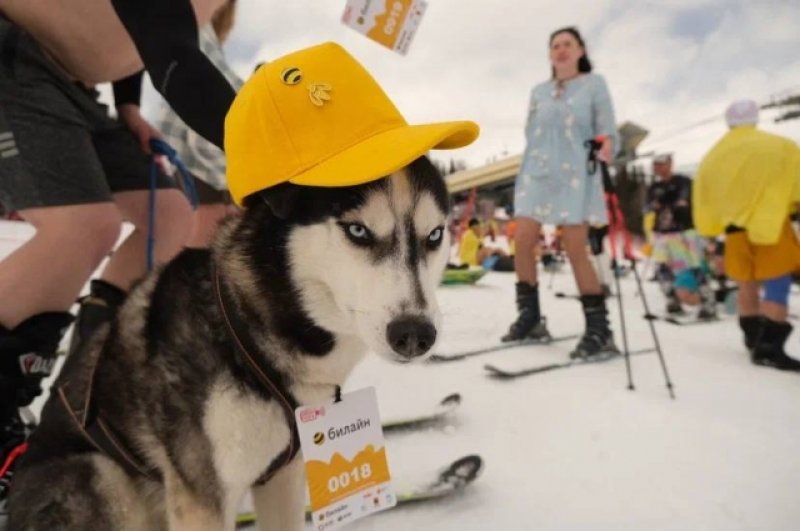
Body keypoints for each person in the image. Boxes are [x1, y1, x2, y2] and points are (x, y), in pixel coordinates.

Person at [0, 0, 238, 505]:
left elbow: (151, 43)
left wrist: (129, 108)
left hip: (74, 85)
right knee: (82, 228)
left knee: (169, 214)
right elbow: (176, 56)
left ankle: (81, 396)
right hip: (15, 58)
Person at [505, 26, 618, 359]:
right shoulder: (538, 90)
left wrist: (608, 143)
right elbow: (531, 131)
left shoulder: (594, 84)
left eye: (568, 44)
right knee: (523, 239)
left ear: (581, 50)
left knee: (574, 246)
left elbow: (607, 129)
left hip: (575, 173)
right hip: (537, 171)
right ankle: (530, 318)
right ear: (550, 54)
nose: (561, 50)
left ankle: (600, 330)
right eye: (555, 45)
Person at [693, 99, 800, 371]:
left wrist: (711, 227)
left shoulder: (713, 157)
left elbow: (704, 196)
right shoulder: (781, 147)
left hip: (734, 232)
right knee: (777, 285)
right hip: (771, 226)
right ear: (755, 118)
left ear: (729, 121)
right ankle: (769, 348)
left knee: (746, 285)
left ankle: (753, 339)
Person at [156, 0, 243, 248]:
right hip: (205, 182)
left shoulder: (201, 39)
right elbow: (209, 112)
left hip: (198, 178)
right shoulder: (197, 36)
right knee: (198, 270)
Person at [645, 153, 716, 319]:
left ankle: (708, 301)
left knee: (694, 265)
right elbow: (648, 207)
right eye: (656, 165)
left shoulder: (684, 182)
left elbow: (684, 202)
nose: (659, 168)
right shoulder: (654, 187)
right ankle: (672, 300)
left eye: (662, 164)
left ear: (670, 164)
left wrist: (666, 204)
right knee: (663, 267)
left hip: (685, 231)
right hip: (662, 233)